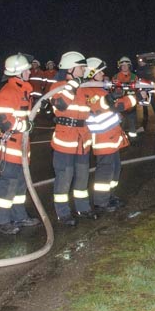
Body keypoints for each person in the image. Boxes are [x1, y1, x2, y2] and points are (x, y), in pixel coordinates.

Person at [83, 57, 143, 212]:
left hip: (112, 137)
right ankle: (101, 202)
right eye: (100, 72)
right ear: (91, 73)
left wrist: (130, 94)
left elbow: (114, 103)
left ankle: (109, 196)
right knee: (105, 172)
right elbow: (116, 105)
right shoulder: (89, 91)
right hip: (103, 139)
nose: (103, 74)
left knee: (115, 169)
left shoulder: (99, 89)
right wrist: (136, 97)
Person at [0, 53, 42, 235]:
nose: (30, 71)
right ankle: (2, 221)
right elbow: (2, 120)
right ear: (18, 72)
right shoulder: (9, 91)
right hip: (11, 148)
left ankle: (19, 215)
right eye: (27, 69)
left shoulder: (23, 90)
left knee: (20, 185)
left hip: (21, 147)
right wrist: (24, 125)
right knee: (8, 185)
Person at [49, 51, 97, 226]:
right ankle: (63, 213)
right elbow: (61, 105)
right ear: (71, 68)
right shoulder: (58, 86)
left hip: (82, 139)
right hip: (65, 140)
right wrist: (72, 86)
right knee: (64, 177)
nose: (84, 69)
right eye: (82, 67)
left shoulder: (83, 87)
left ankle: (83, 208)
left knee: (83, 176)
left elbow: (94, 106)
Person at [111, 56, 141, 137]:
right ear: (120, 66)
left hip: (132, 104)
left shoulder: (134, 77)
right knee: (120, 123)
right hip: (120, 104)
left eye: (126, 65)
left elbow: (138, 89)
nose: (124, 66)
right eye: (122, 65)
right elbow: (112, 90)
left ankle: (133, 139)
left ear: (129, 66)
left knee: (132, 122)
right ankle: (120, 139)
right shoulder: (115, 77)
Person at [137, 57, 155, 132]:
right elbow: (137, 79)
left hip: (150, 90)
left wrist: (150, 85)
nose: (141, 63)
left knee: (154, 105)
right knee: (144, 107)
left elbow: (153, 78)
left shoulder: (149, 69)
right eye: (140, 62)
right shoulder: (139, 69)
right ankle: (144, 126)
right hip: (142, 91)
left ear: (145, 62)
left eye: (142, 61)